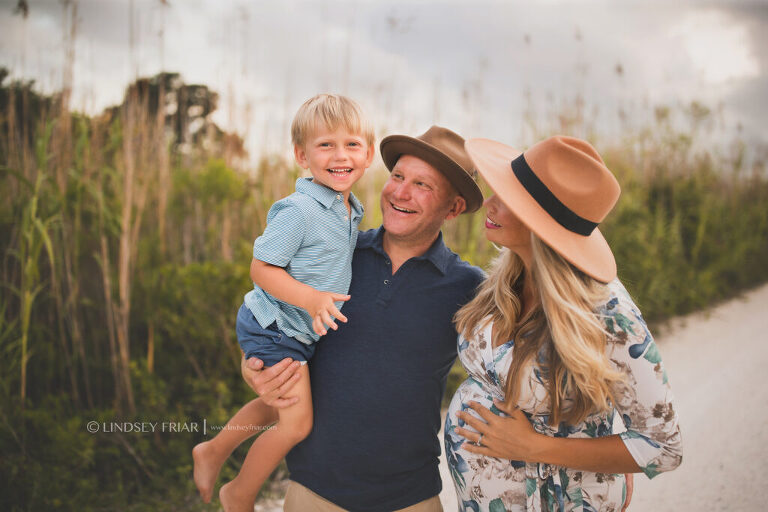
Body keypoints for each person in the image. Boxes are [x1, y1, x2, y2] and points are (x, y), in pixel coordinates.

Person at [242, 126, 487, 511]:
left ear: (453, 208)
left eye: (422, 185)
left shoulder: (469, 288)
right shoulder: (337, 255)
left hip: (411, 498)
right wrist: (253, 367)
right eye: (398, 177)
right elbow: (272, 319)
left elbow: (509, 370)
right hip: (313, 492)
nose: (400, 193)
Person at [444, 135, 683, 511]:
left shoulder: (608, 314)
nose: (488, 203)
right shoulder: (507, 276)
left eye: (506, 198)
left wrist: (533, 447)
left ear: (541, 224)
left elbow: (663, 447)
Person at [192, 93, 375, 512]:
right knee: (297, 422)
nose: (340, 155)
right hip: (273, 324)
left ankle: (214, 450)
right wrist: (311, 299)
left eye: (351, 145)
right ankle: (238, 493)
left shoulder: (349, 209)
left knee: (275, 406)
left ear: (367, 156)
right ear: (301, 155)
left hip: (294, 330)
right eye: (325, 145)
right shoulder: (299, 210)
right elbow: (262, 269)